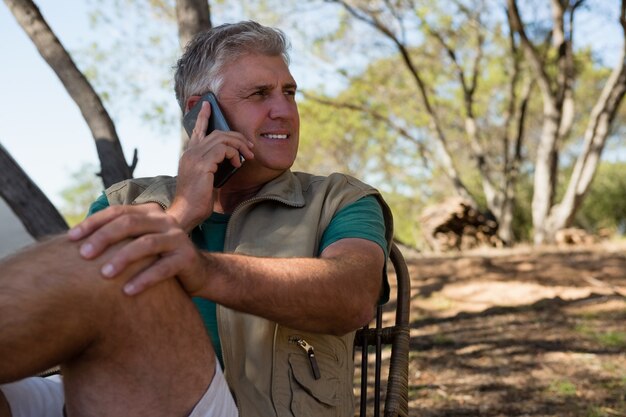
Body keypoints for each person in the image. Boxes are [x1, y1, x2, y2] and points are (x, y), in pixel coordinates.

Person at [0, 20, 393, 417]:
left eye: (289, 93)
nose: (284, 111)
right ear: (201, 111)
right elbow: (76, 299)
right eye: (260, 94)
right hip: (106, 393)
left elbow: (354, 296)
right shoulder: (126, 199)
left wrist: (202, 271)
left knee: (128, 268)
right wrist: (181, 214)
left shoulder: (340, 199)